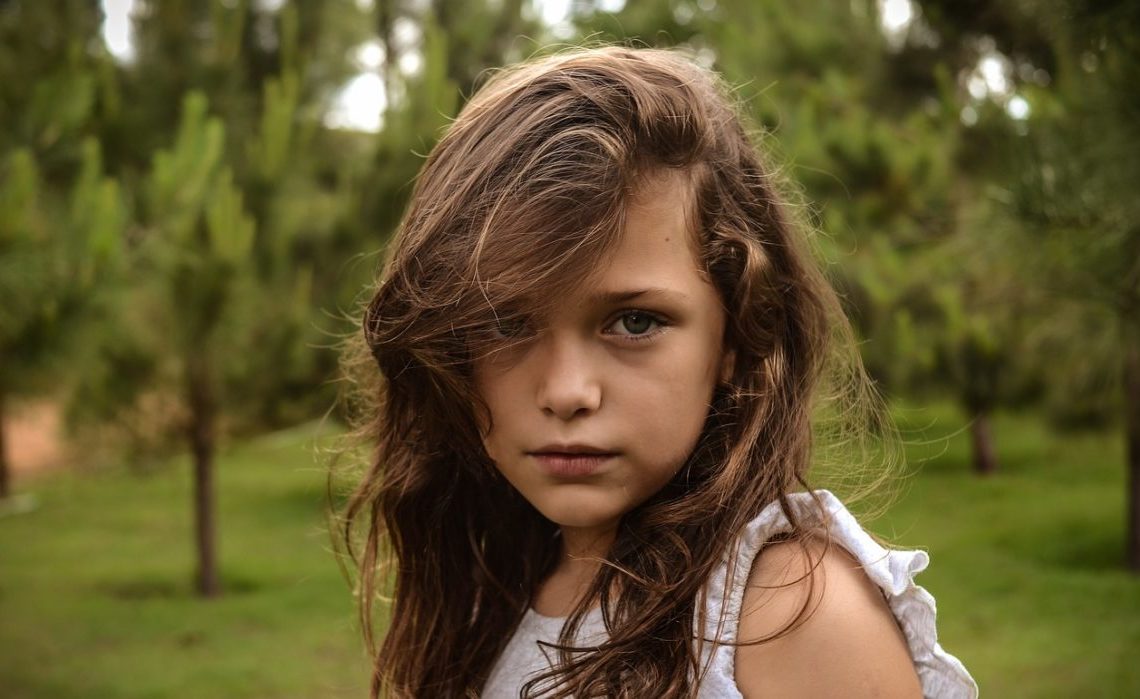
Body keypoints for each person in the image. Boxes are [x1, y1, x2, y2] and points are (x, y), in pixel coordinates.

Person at [339, 45, 978, 698]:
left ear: (735, 330)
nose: (566, 392)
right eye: (506, 323)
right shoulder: (500, 586)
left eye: (635, 322)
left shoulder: (784, 611)